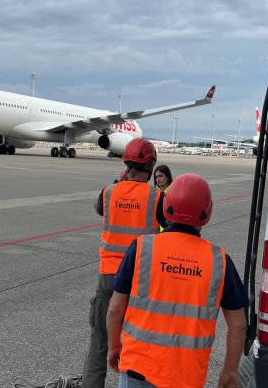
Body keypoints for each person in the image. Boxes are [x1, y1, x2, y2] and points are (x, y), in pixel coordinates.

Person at [106, 173, 248, 388]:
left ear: (166, 206)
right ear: (207, 212)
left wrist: (114, 346)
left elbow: (115, 309)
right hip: (186, 377)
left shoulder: (142, 248)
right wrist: (229, 371)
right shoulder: (220, 261)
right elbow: (238, 325)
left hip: (137, 369)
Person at [83, 138, 167, 388]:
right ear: (151, 165)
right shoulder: (157, 197)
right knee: (140, 345)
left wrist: (120, 181)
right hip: (141, 280)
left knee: (99, 342)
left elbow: (100, 209)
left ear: (126, 164)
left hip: (109, 276)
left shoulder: (109, 192)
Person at [153, 165, 174, 232]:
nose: (158, 179)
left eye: (160, 176)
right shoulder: (155, 193)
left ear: (167, 177)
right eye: (156, 177)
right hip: (156, 231)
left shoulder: (172, 192)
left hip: (167, 230)